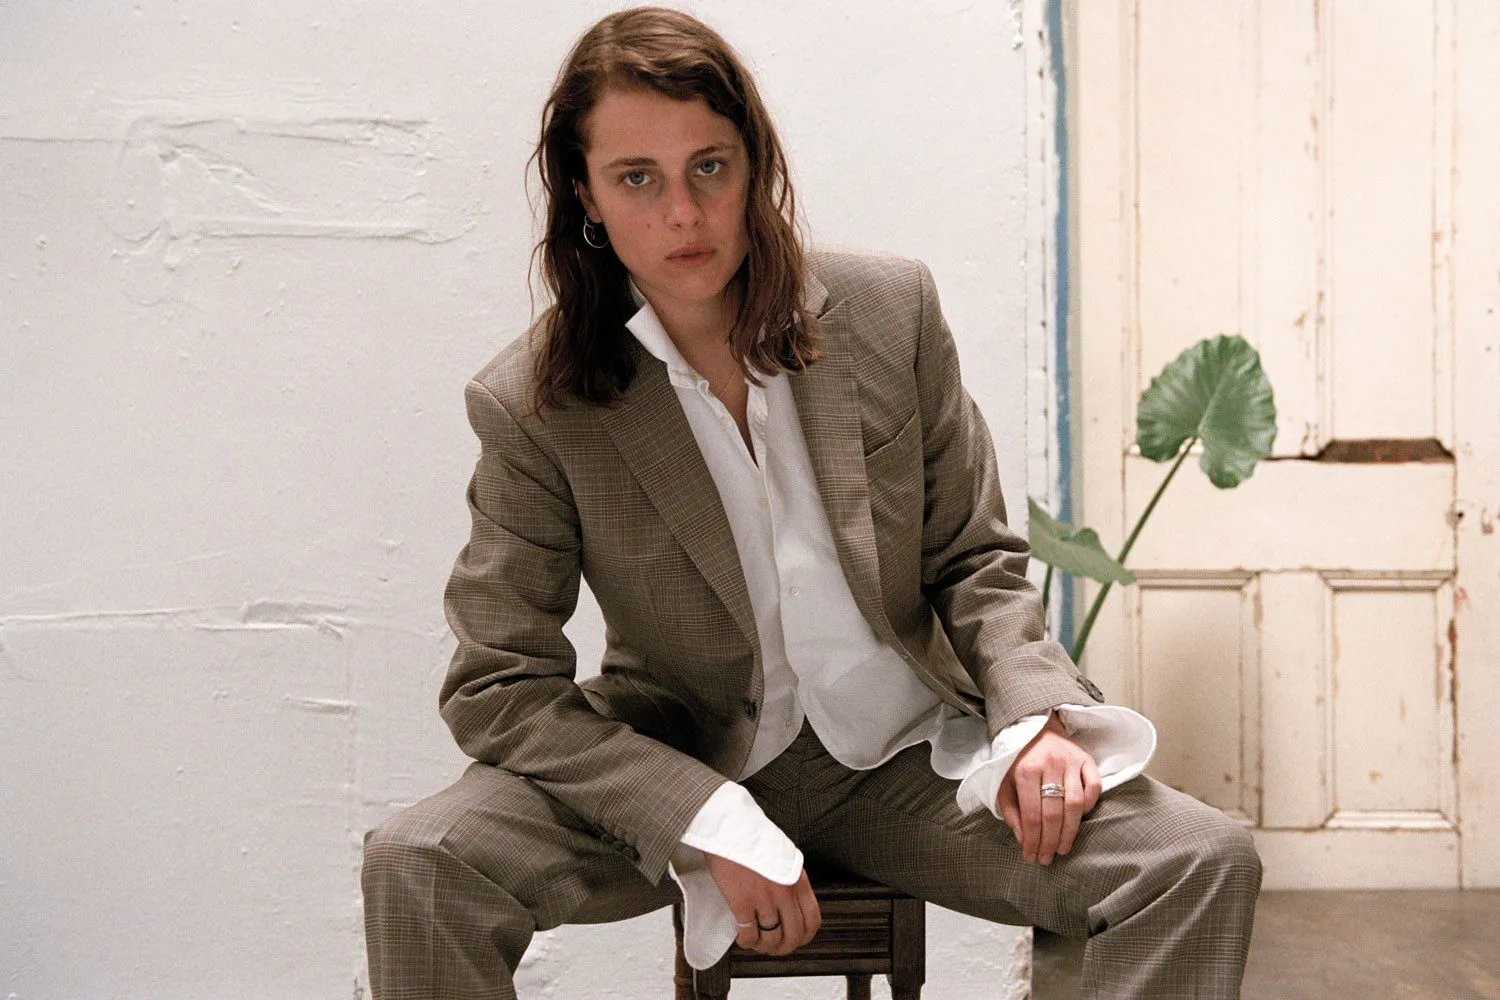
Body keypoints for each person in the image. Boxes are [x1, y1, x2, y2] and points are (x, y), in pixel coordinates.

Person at [360, 7, 1263, 999]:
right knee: (421, 863)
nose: (682, 213)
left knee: (1195, 858)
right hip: (679, 752)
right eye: (637, 178)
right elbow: (500, 684)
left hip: (903, 766)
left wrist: (1037, 716)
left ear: (754, 164)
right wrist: (702, 815)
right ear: (586, 195)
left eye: (709, 167)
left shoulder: (889, 313)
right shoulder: (536, 401)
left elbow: (972, 559)